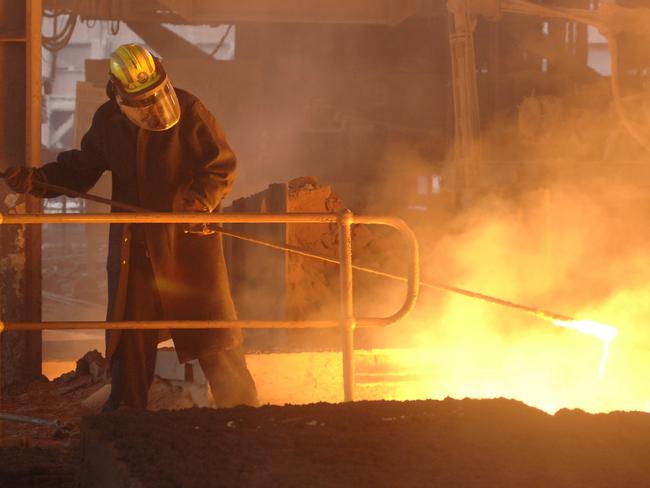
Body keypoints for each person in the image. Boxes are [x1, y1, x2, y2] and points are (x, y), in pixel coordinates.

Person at [5, 43, 258, 410]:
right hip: (134, 250)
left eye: (155, 96)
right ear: (118, 93)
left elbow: (220, 164)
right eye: (140, 101)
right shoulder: (110, 122)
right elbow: (79, 170)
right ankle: (127, 419)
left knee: (211, 331)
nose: (152, 108)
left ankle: (246, 415)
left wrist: (199, 198)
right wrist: (36, 180)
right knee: (131, 340)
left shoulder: (189, 110)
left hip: (185, 244)